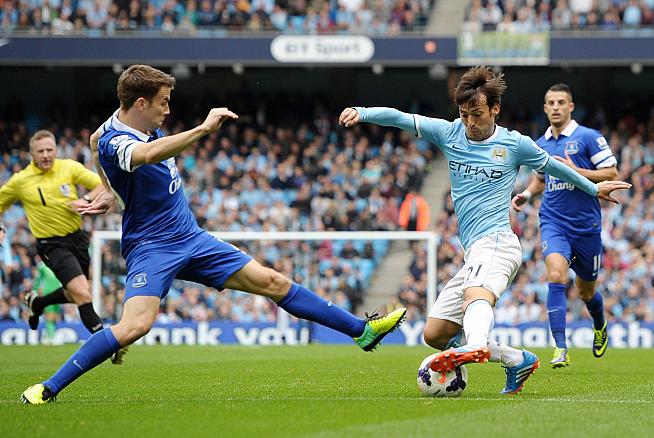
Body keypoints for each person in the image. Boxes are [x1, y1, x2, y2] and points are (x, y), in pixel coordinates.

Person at [20, 64, 407, 404]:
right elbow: (142, 155)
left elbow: (92, 142)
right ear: (140, 103)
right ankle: (47, 388)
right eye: (163, 103)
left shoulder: (120, 125)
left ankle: (361, 331)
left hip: (191, 236)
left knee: (272, 281)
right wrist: (204, 129)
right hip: (152, 246)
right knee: (136, 326)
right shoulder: (116, 140)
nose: (168, 110)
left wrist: (110, 190)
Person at [339, 66, 630, 394]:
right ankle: (516, 359)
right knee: (435, 334)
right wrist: (362, 112)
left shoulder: (514, 144)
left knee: (476, 297)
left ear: (495, 109)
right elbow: (400, 118)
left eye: (476, 114)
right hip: (473, 252)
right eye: (464, 114)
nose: (470, 122)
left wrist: (593, 189)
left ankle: (476, 344)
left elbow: (554, 167)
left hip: (498, 243)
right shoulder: (449, 133)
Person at [512, 83, 617, 368]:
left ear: (571, 107)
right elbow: (541, 179)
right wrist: (527, 194)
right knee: (556, 275)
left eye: (561, 102)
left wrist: (574, 170)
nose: (556, 107)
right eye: (551, 103)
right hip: (553, 221)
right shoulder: (540, 144)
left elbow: (612, 172)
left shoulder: (589, 137)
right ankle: (560, 347)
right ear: (545, 108)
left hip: (586, 226)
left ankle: (599, 323)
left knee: (586, 292)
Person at [0, 130, 125, 361]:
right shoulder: (21, 181)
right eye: (40, 151)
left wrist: (85, 199)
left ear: (56, 150)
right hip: (51, 244)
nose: (46, 155)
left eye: (50, 150)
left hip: (77, 239)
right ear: (31, 154)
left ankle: (38, 303)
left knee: (74, 293)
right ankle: (107, 344)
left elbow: (103, 184)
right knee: (82, 293)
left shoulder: (69, 167)